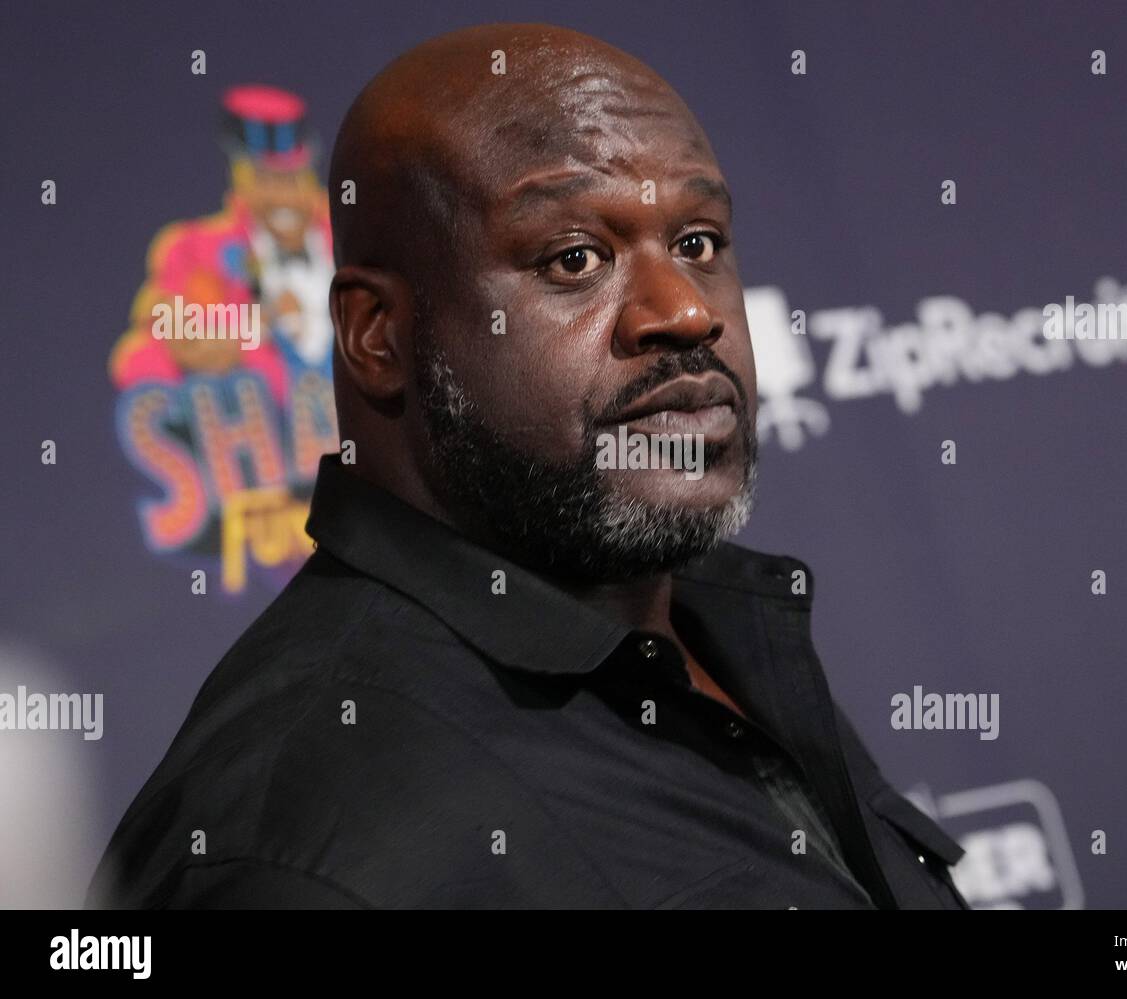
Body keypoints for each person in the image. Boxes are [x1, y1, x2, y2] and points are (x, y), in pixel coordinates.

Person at [87, 22, 969, 909]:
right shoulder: (300, 847)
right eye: (576, 258)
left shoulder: (715, 624)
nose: (685, 312)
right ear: (378, 336)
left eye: (698, 242)